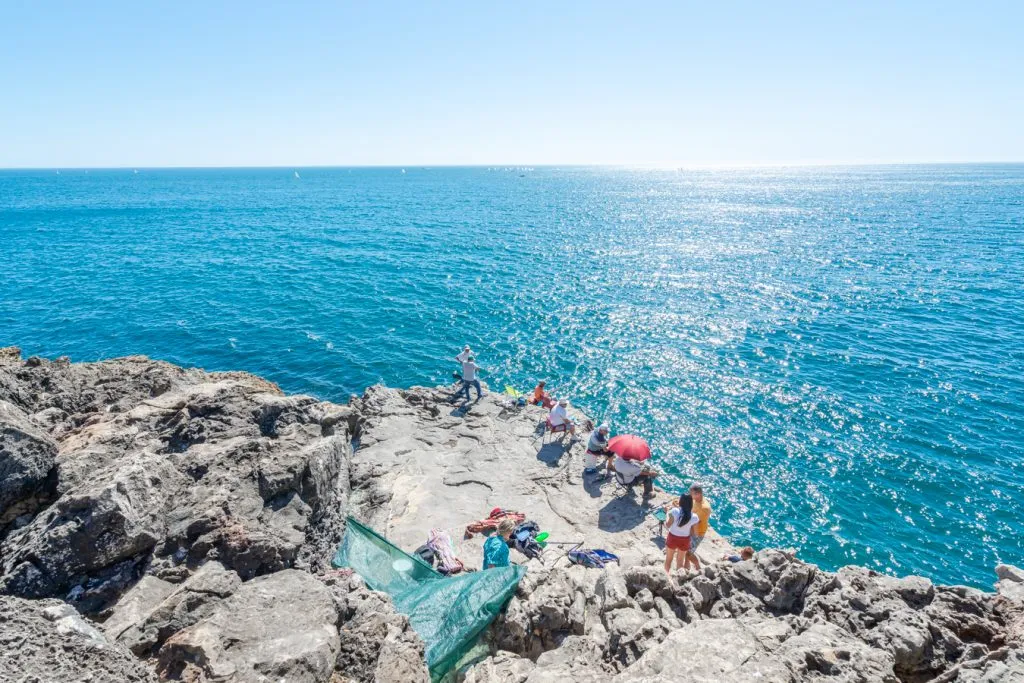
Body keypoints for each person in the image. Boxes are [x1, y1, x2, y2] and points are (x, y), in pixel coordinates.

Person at [664, 493, 700, 574]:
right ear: (691, 504)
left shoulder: (674, 511)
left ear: (681, 502)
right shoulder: (694, 517)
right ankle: (679, 578)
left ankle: (666, 577)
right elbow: (695, 533)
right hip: (685, 540)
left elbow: (668, 525)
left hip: (672, 537)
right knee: (680, 562)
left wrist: (666, 513)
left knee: (668, 560)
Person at [687, 484, 712, 570]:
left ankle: (698, 567)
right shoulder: (695, 500)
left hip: (697, 533)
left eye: (691, 493)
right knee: (685, 550)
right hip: (690, 529)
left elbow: (694, 521)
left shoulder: (705, 508)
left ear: (698, 494)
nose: (690, 495)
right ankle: (687, 566)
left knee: (688, 553)